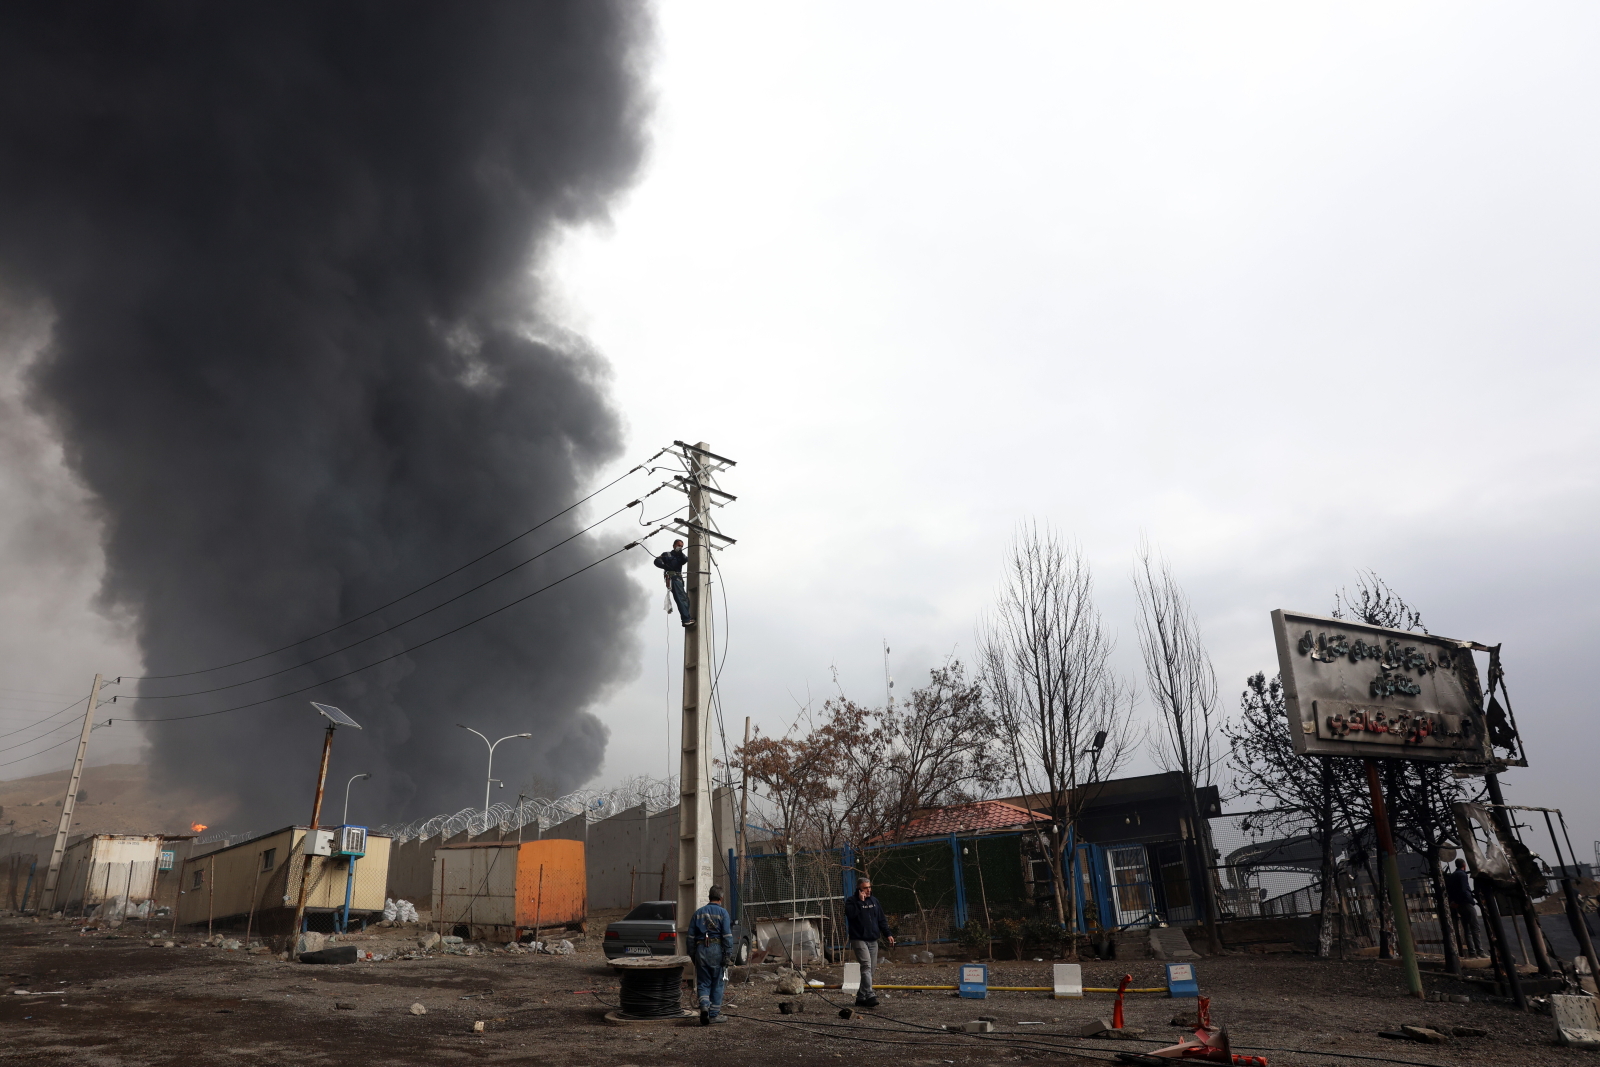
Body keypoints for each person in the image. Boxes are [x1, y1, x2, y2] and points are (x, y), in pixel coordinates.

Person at [843, 877, 894, 1008]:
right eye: (865, 888)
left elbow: (881, 919)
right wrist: (860, 902)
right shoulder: (851, 901)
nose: (868, 890)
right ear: (859, 888)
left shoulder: (874, 901)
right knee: (866, 965)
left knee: (871, 969)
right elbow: (850, 915)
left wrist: (888, 934)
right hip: (859, 939)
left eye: (869, 887)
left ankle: (861, 996)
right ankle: (870, 994)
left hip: (873, 939)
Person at [690, 885, 733, 1025]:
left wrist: (692, 955)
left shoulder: (698, 913)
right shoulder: (723, 913)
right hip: (716, 949)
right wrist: (728, 955)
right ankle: (713, 1015)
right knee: (717, 983)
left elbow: (690, 937)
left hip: (701, 949)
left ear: (709, 897)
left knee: (703, 982)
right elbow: (727, 936)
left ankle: (704, 1007)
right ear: (721, 898)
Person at [1444, 858, 1483, 957]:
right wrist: (1470, 900)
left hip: (1459, 905)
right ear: (1464, 865)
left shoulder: (1453, 876)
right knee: (1475, 928)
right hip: (1466, 903)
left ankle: (1472, 953)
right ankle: (1480, 952)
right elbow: (1463, 889)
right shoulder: (1462, 875)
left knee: (1467, 930)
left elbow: (1451, 890)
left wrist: (1454, 901)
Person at [653, 539, 693, 627]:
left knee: (685, 599)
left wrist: (680, 553)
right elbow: (656, 561)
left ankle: (687, 618)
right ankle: (686, 620)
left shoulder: (681, 557)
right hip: (673, 578)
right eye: (678, 545)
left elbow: (685, 559)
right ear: (674, 545)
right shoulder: (666, 554)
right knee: (681, 599)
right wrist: (665, 565)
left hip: (678, 579)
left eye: (681, 546)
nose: (680, 547)